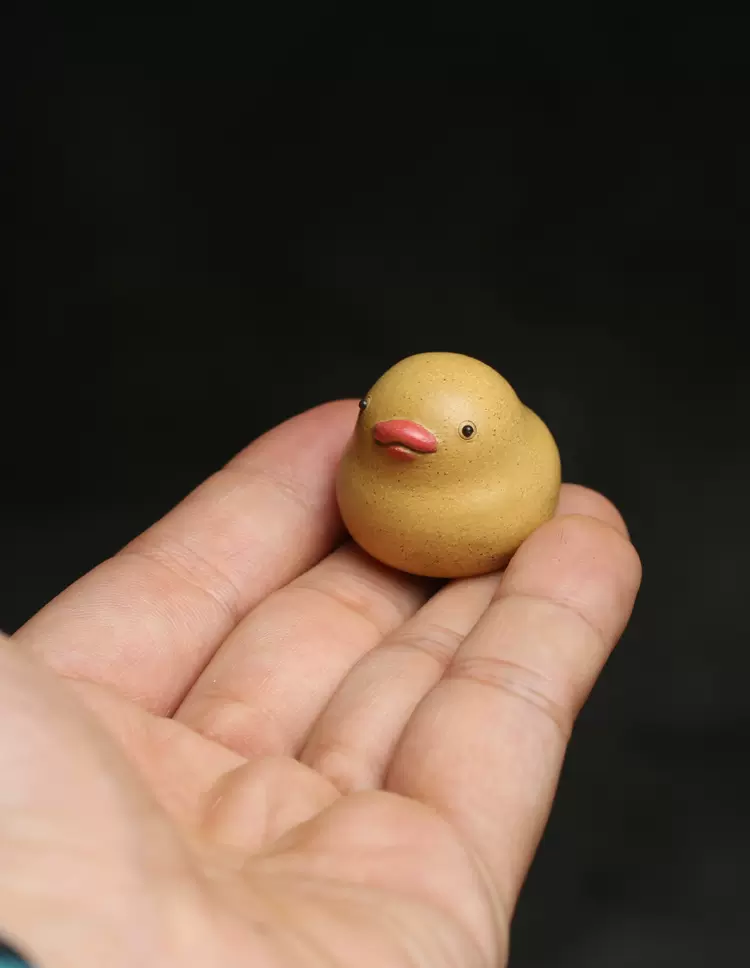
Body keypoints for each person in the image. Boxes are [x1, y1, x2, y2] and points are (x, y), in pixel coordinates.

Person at [0, 401, 641, 968]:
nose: (403, 433)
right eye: (375, 413)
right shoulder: (365, 476)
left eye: (464, 431)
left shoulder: (516, 476)